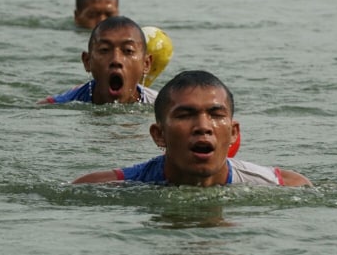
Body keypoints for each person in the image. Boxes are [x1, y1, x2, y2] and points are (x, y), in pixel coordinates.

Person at [73, 70, 313, 187]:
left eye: (216, 114)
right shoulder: (109, 186)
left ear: (233, 133)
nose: (203, 127)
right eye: (185, 115)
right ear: (159, 135)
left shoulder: (281, 187)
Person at [37, 16, 156, 105]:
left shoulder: (159, 107)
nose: (116, 60)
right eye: (104, 50)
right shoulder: (60, 104)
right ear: (87, 61)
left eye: (128, 51)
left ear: (146, 64)